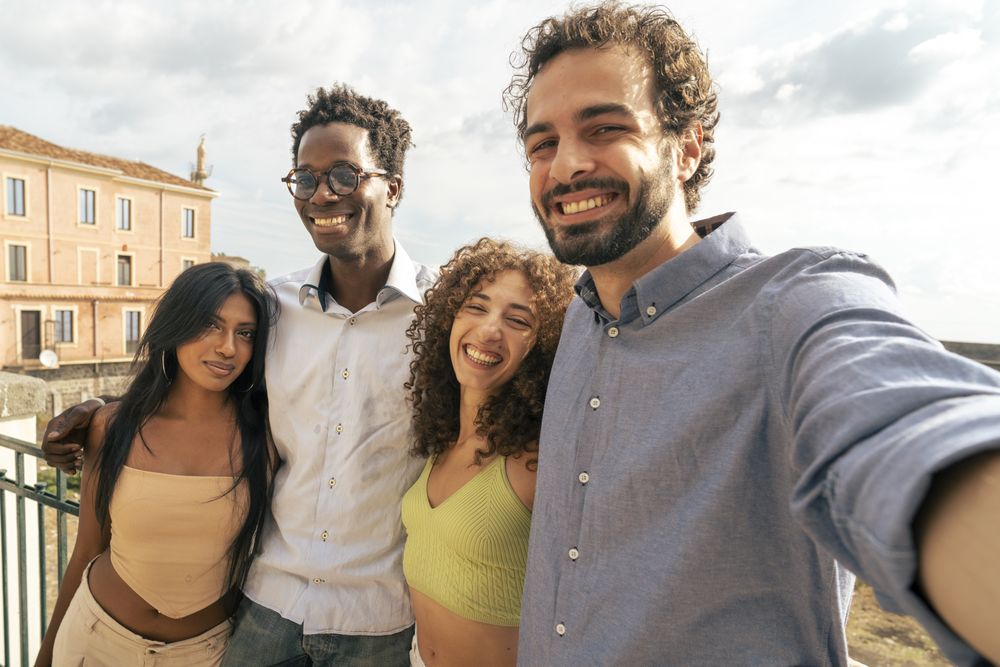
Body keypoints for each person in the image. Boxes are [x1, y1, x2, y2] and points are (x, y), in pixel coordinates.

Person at [503, 2, 1000, 665]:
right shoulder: (576, 324)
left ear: (686, 148)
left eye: (604, 128)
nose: (564, 167)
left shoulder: (792, 302)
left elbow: (903, 424)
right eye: (543, 143)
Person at [43, 84, 437, 666]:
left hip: (378, 618)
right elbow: (204, 368)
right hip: (265, 608)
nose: (322, 193)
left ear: (393, 187)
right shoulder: (270, 306)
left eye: (345, 175)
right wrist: (103, 411)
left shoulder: (444, 316)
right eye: (305, 178)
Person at [34, 262, 276, 667]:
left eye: (245, 333)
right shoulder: (113, 426)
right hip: (95, 642)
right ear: (177, 325)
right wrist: (44, 658)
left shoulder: (267, 437)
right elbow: (87, 550)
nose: (228, 347)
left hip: (205, 655)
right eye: (211, 326)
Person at [401, 238, 575, 667]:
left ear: (544, 345)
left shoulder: (537, 462)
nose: (490, 330)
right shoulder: (440, 440)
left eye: (519, 320)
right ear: (450, 318)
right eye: (476, 307)